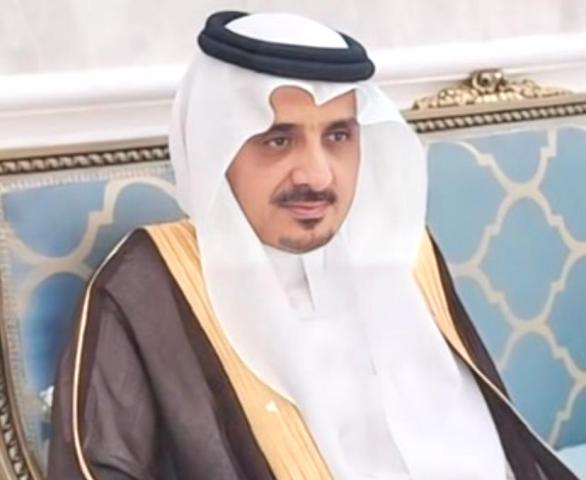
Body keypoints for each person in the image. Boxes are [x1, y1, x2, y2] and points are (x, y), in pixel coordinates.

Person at [47, 10, 577, 480]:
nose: (317, 175)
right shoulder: (149, 287)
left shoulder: (401, 251)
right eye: (278, 140)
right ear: (215, 147)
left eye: (338, 136)